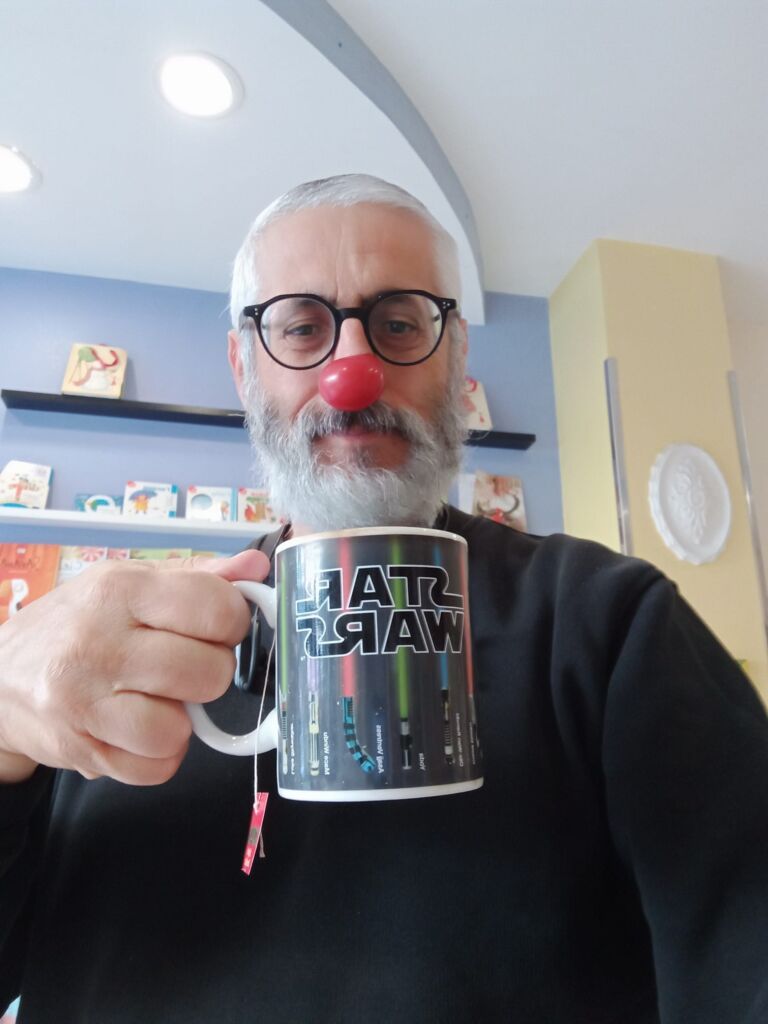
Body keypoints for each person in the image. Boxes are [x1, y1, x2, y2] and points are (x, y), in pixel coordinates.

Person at [1, 174, 767, 1024]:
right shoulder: (103, 656)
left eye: (400, 323)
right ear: (243, 365)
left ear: (457, 355)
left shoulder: (608, 623)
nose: (350, 375)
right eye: (301, 327)